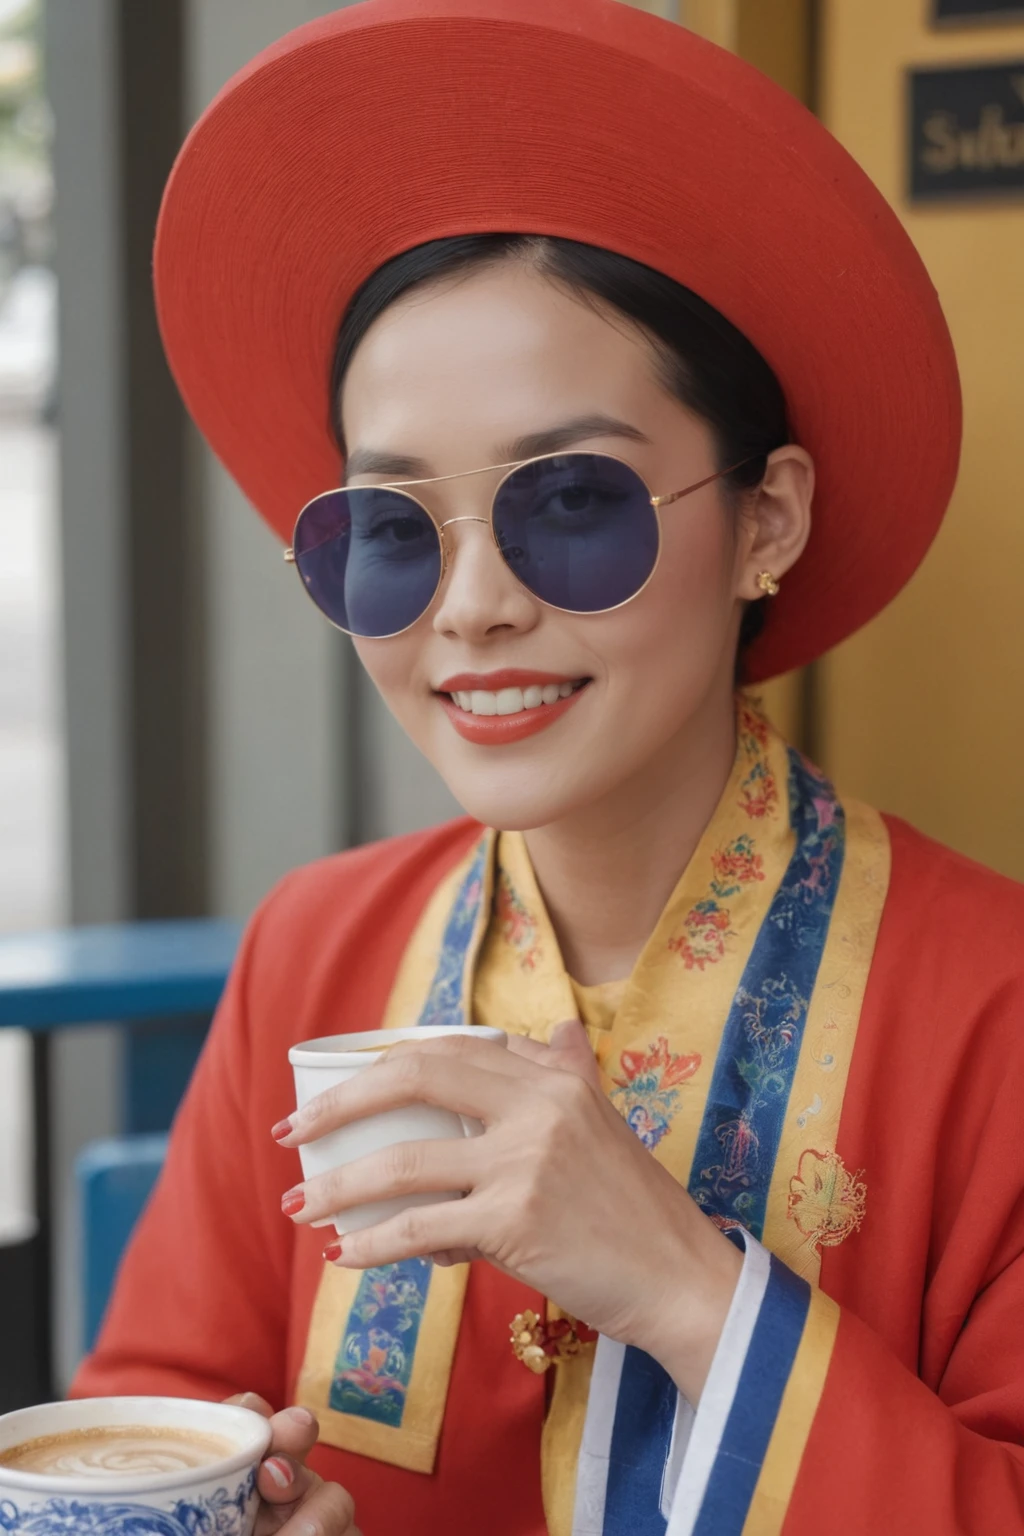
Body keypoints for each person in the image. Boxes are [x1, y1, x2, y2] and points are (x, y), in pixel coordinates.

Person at [72, 1, 1024, 1532]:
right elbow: (153, 1415)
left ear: (765, 521)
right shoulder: (314, 951)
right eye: (389, 532)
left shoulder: (996, 1011)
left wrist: (678, 1281)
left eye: (570, 503)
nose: (470, 607)